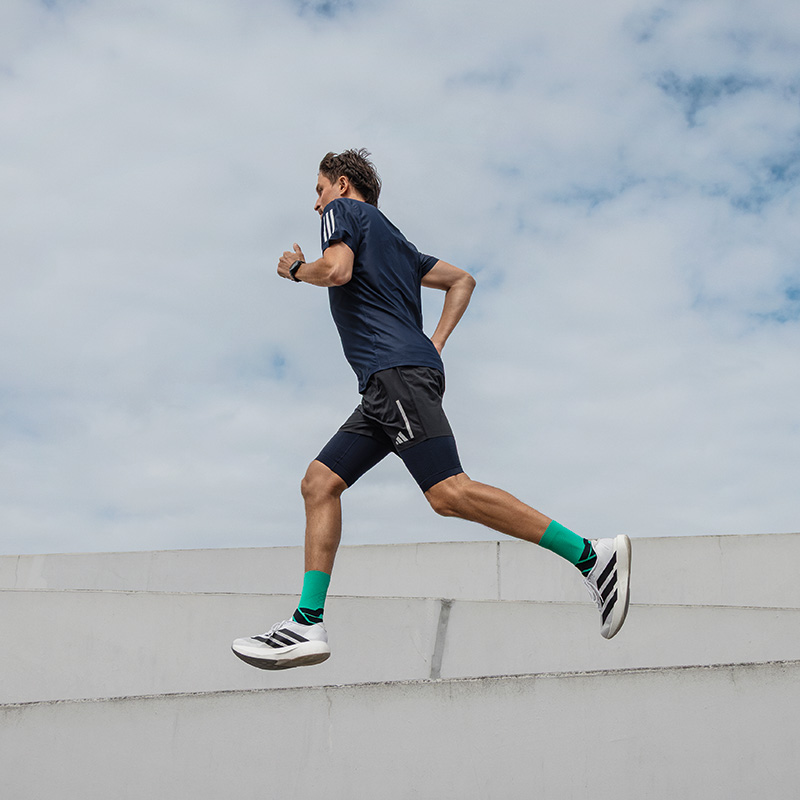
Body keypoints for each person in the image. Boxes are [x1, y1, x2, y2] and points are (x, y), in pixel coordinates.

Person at [231, 149, 631, 670]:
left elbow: (335, 271)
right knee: (319, 482)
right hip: (390, 381)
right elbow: (461, 279)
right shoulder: (397, 242)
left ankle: (591, 556)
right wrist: (434, 344)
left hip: (393, 374)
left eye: (319, 189)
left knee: (448, 492)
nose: (316, 204)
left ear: (343, 184)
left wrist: (296, 269)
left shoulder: (345, 215)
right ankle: (307, 623)